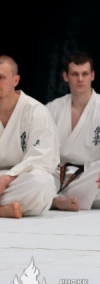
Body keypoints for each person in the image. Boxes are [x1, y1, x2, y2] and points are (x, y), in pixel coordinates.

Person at [46, 52, 100, 211]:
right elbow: (38, 141)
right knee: (34, 175)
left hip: (91, 176)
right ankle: (59, 200)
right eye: (74, 74)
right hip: (59, 175)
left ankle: (53, 198)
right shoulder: (53, 108)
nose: (80, 79)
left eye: (85, 74)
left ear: (92, 75)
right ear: (65, 76)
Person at [0, 56, 59, 218]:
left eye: (1, 77)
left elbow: (42, 157)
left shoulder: (36, 111)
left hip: (19, 179)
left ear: (15, 80)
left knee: (42, 182)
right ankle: (3, 210)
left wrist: (7, 178)